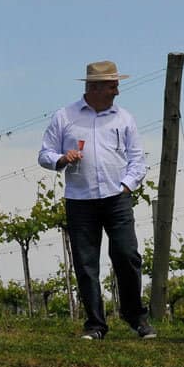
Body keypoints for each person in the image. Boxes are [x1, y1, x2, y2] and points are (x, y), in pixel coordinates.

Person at [38, 60, 153, 340]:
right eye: (112, 85)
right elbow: (44, 154)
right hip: (80, 200)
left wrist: (127, 186)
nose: (117, 91)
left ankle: (134, 315)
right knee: (86, 262)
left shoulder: (124, 118)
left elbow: (138, 159)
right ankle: (96, 324)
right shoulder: (64, 117)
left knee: (127, 255)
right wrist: (62, 159)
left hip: (117, 198)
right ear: (94, 87)